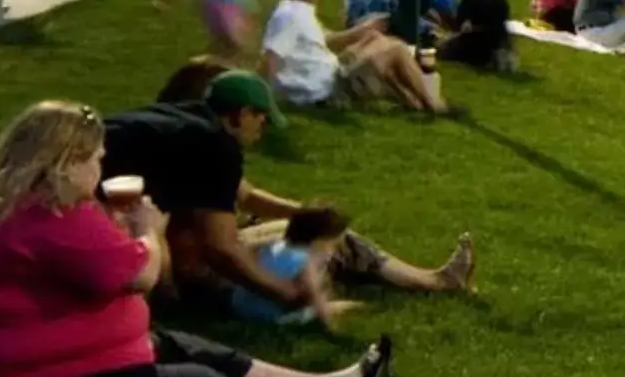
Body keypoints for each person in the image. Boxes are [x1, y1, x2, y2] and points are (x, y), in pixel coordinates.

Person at [0, 101, 393, 377]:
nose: (102, 165)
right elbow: (142, 277)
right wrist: (150, 232)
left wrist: (124, 232)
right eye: (94, 158)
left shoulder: (1, 206)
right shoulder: (55, 219)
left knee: (183, 347)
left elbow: (88, 269)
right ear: (63, 166)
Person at [101, 73, 475, 316]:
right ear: (240, 114)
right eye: (260, 117)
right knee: (316, 251)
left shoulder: (188, 122)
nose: (262, 127)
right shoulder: (215, 145)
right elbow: (222, 249)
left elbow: (244, 197)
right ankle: (431, 283)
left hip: (109, 245)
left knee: (312, 236)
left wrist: (303, 215)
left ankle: (431, 280)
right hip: (143, 262)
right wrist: (280, 291)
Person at [261, 0, 446, 112]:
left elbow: (327, 39)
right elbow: (270, 57)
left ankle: (413, 101)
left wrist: (364, 30)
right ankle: (434, 104)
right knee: (396, 48)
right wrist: (262, 101)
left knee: (374, 39)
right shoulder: (289, 17)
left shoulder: (295, 10)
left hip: (329, 74)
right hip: (327, 89)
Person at [227, 206, 366, 329]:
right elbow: (315, 295)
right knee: (338, 306)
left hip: (238, 306)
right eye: (334, 246)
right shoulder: (306, 262)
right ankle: (360, 307)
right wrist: (329, 323)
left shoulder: (274, 245)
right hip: (269, 318)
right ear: (319, 242)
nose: (334, 252)